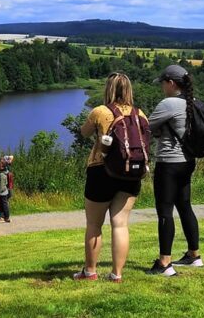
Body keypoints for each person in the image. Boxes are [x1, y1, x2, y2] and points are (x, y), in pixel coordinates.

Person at [74, 72, 149, 283]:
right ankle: (116, 274)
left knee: (94, 225)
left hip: (101, 171)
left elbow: (84, 133)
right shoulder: (140, 114)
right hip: (131, 172)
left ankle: (90, 272)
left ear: (108, 89)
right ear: (129, 90)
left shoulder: (100, 112)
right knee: (120, 224)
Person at [147, 64, 204, 277]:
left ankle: (164, 263)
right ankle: (193, 255)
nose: (162, 87)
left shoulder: (168, 103)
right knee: (185, 207)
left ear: (171, 83)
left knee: (164, 212)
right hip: (187, 162)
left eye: (163, 83)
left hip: (169, 163)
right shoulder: (194, 103)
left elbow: (147, 128)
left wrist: (159, 131)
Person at [0, 156, 14, 223]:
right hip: (5, 191)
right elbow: (0, 177)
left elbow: (1, 185)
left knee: (3, 205)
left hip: (2, 192)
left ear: (1, 166)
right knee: (4, 205)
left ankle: (4, 218)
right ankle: (5, 218)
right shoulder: (4, 172)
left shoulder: (2, 175)